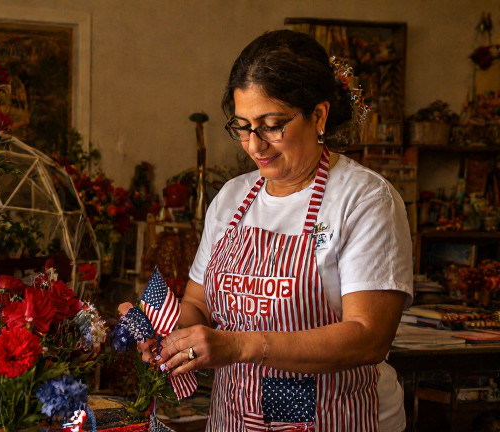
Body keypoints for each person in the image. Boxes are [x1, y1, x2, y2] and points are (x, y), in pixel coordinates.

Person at [154, 29, 413, 431]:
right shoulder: (230, 199)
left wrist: (239, 346)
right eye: (242, 126)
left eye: (271, 125)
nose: (255, 144)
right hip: (234, 417)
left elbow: (368, 337)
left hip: (333, 416)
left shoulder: (364, 199)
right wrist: (164, 331)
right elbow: (198, 305)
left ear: (319, 116)